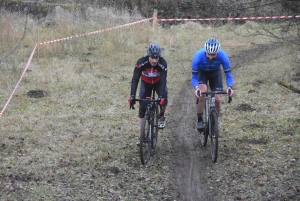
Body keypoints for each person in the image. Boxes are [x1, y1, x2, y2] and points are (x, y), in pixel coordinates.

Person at [128, 43, 168, 145]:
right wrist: (132, 96)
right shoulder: (141, 62)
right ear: (148, 56)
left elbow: (163, 81)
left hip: (158, 83)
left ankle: (162, 115)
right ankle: (141, 136)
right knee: (142, 108)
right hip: (146, 84)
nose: (154, 60)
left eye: (156, 58)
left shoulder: (163, 63)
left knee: (164, 97)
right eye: (152, 58)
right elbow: (135, 79)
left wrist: (161, 97)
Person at [191, 38, 234, 130]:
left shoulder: (223, 56)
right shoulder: (198, 57)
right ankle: (199, 119)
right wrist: (196, 88)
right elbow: (194, 77)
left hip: (215, 74)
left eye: (213, 55)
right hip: (202, 73)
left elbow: (228, 75)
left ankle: (215, 121)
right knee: (202, 93)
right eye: (208, 54)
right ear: (205, 51)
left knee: (218, 99)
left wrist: (230, 87)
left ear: (217, 52)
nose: (210, 57)